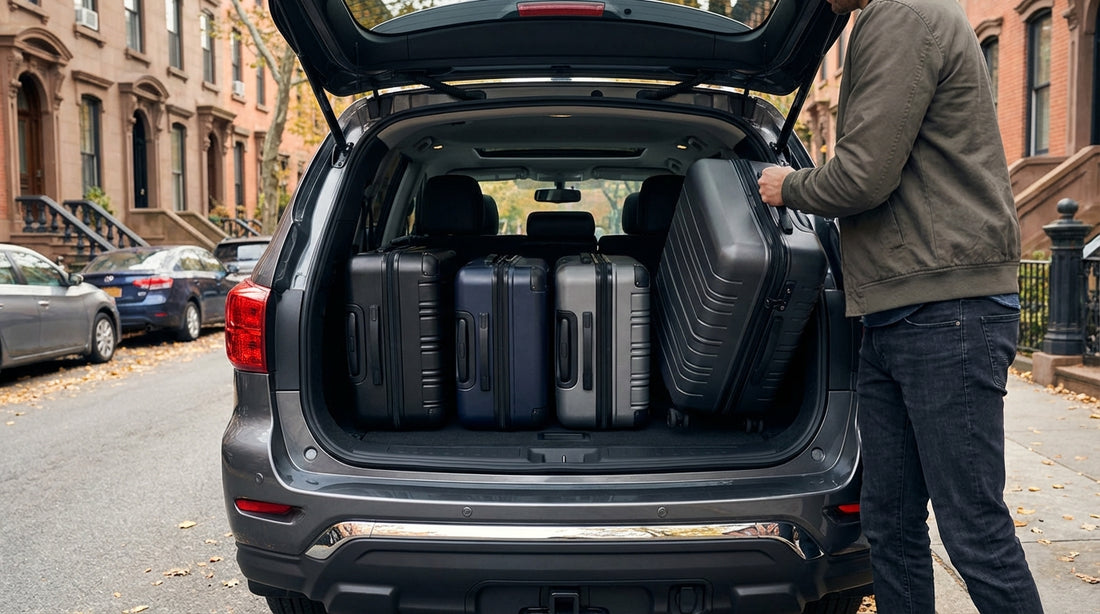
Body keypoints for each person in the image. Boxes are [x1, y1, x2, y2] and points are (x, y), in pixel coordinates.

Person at [757, 0, 1044, 612]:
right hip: (898, 309)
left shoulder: (901, 16)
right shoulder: (889, 17)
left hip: (946, 309)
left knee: (974, 532)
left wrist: (789, 187)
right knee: (891, 526)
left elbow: (863, 176)